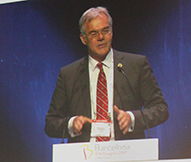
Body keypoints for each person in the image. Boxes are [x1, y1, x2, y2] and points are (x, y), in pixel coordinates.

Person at [44, 6, 168, 143]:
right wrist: (72, 124)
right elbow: (50, 124)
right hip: (85, 156)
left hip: (127, 154)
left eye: (105, 31)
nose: (101, 37)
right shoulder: (69, 75)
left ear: (112, 32)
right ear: (83, 39)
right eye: (93, 33)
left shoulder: (136, 65)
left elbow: (161, 109)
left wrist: (132, 118)